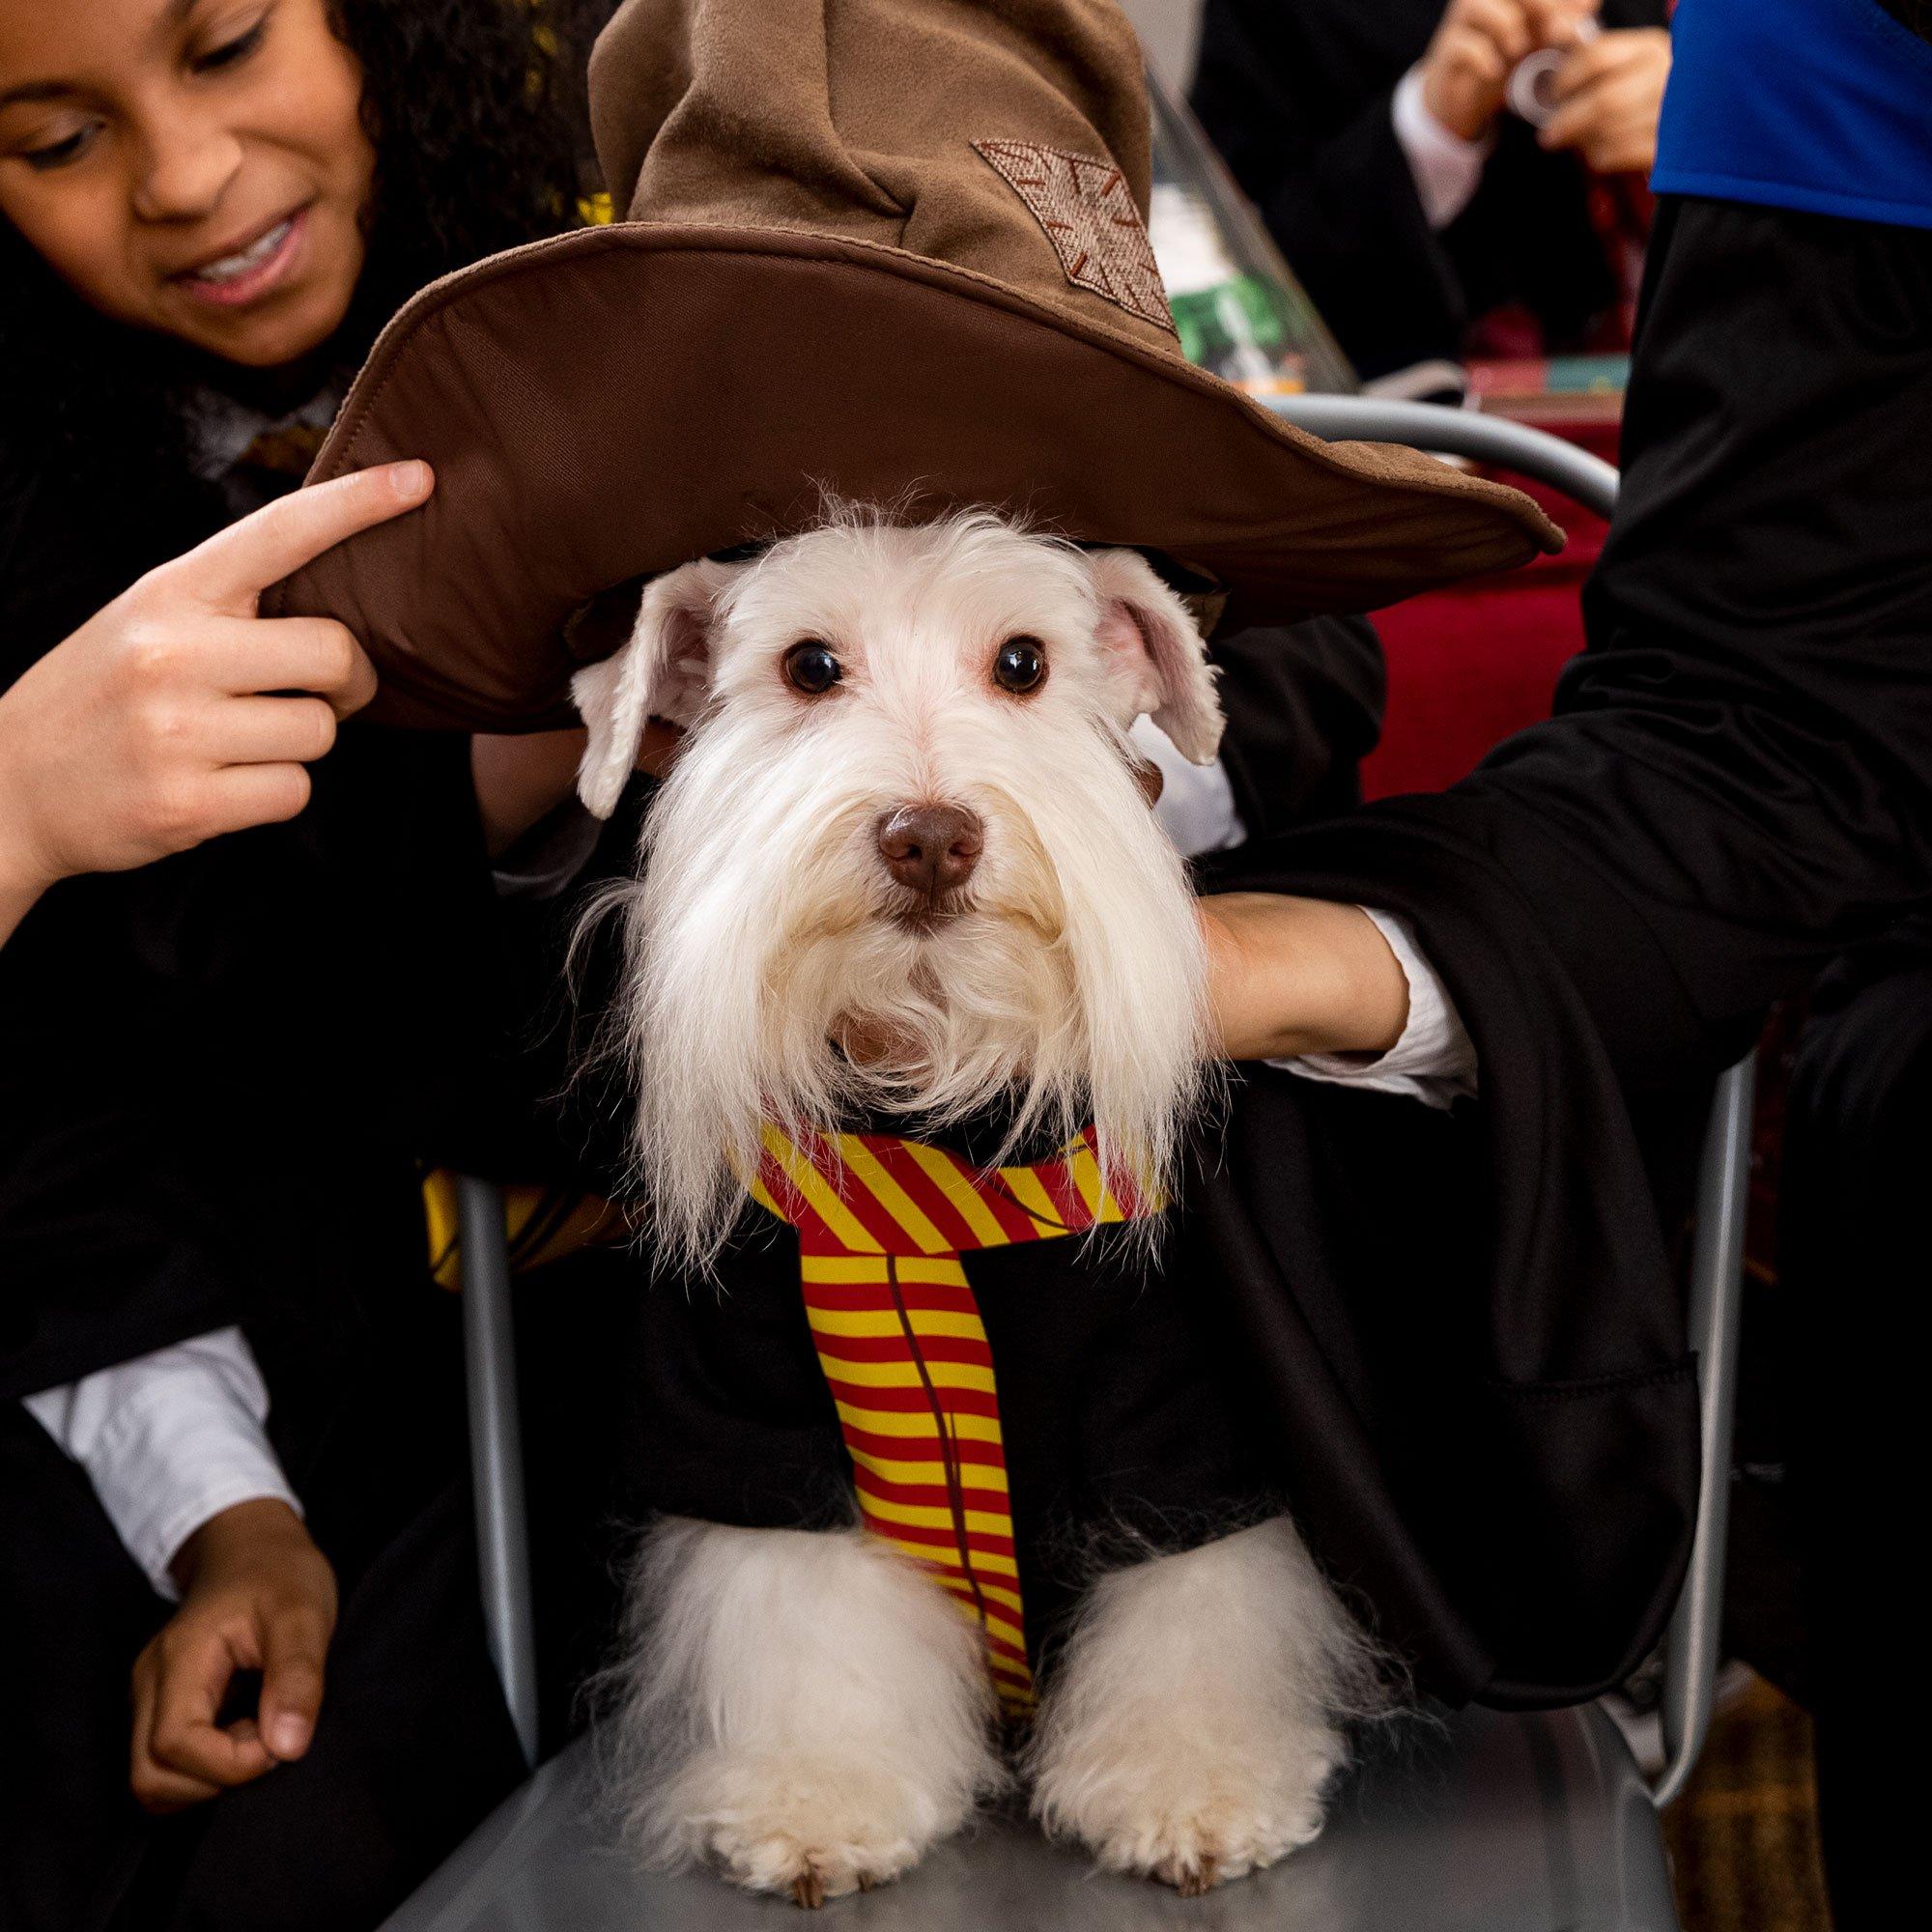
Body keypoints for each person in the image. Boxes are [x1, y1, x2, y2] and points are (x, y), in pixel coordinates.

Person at [0, 4, 621, 1927]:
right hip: (251, 1361)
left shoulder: (644, 295)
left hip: (710, 1342)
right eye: (49, 139)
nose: (182, 180)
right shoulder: (37, 528)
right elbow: (57, 1112)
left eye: (231, 43)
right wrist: (230, 1516)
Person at [1190, 0, 1672, 378]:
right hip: (1399, 455)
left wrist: (1710, 130)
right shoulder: (1279, 18)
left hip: (1680, 431)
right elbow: (1225, 297)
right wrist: (1424, 130)